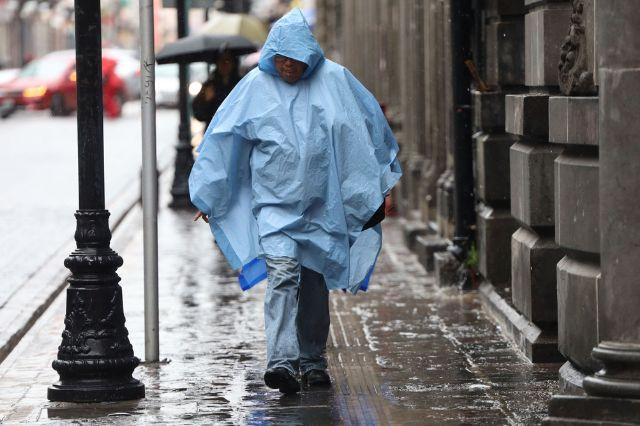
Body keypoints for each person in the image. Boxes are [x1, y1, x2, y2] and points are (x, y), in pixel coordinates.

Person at [189, 9, 402, 394]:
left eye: (297, 60)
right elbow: (225, 140)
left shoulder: (335, 80)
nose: (290, 66)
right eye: (283, 59)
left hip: (324, 207)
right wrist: (210, 193)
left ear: (309, 56)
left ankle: (312, 359)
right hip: (274, 206)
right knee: (284, 275)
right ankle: (283, 362)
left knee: (315, 284)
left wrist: (380, 184)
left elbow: (367, 130)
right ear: (273, 56)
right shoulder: (254, 87)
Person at [192, 51, 241, 129]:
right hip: (213, 132)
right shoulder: (209, 85)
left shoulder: (240, 84)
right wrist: (206, 101)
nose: (224, 64)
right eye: (221, 61)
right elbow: (199, 115)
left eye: (227, 61)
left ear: (233, 63)